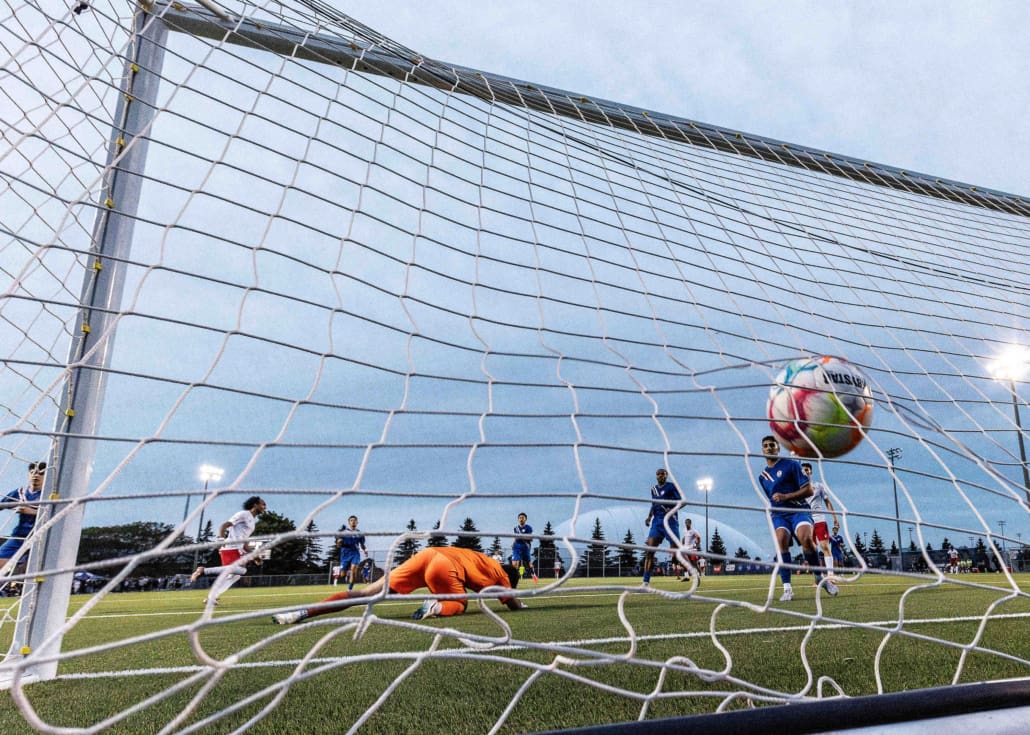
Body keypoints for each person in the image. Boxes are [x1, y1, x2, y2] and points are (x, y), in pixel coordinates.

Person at [273, 546, 526, 624]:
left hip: (426, 555)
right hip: (444, 566)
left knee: (365, 593)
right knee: (459, 603)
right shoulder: (502, 575)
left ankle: (300, 612)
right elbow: (512, 604)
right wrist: (521, 603)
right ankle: (436, 606)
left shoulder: (483, 559)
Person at [757, 436, 838, 601]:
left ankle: (819, 577)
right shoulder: (762, 477)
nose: (769, 448)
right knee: (781, 542)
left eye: (772, 445)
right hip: (779, 515)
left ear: (778, 448)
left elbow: (808, 490)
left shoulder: (792, 465)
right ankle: (787, 588)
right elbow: (772, 498)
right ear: (762, 450)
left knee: (806, 539)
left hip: (799, 510)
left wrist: (786, 496)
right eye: (765, 446)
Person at [190, 496, 267, 606]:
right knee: (240, 571)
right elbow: (224, 525)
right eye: (263, 504)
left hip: (237, 549)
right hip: (230, 547)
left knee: (234, 575)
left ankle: (211, 598)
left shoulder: (252, 523)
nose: (265, 507)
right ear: (255, 505)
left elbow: (244, 543)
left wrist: (255, 556)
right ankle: (203, 570)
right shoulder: (243, 514)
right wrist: (221, 540)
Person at [0, 461, 46, 591]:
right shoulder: (20, 492)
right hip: (20, 537)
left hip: (43, 537)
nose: (36, 476)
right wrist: (11, 507)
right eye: (33, 472)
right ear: (28, 474)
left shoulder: (49, 494)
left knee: (33, 571)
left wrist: (31, 511)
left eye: (41, 473)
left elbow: (57, 514)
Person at [643, 468, 681, 586]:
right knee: (650, 551)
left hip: (670, 521)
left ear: (667, 475)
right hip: (657, 522)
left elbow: (682, 502)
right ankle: (645, 582)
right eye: (658, 474)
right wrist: (649, 517)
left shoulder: (672, 487)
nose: (661, 476)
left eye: (663, 474)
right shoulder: (653, 489)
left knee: (676, 552)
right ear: (656, 476)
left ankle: (690, 570)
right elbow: (653, 505)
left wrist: (671, 509)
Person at [801, 463, 838, 580]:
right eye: (803, 470)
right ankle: (818, 577)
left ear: (811, 472)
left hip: (819, 519)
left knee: (824, 546)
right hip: (807, 521)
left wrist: (835, 518)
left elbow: (828, 502)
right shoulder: (798, 488)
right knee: (812, 551)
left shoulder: (818, 486)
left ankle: (831, 576)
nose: (805, 472)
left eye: (807, 470)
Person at [336, 515, 367, 590]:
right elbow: (339, 545)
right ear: (349, 522)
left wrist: (365, 550)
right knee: (342, 575)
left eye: (355, 520)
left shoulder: (359, 533)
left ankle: (349, 590)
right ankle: (346, 575)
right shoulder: (343, 532)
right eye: (351, 520)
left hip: (355, 553)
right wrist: (339, 541)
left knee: (354, 569)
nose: (353, 522)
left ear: (357, 522)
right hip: (345, 554)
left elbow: (362, 544)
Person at [512, 512, 538, 582]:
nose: (521, 519)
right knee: (515, 564)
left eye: (523, 518)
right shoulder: (516, 528)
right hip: (517, 547)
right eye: (520, 518)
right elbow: (515, 537)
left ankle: (533, 574)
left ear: (525, 519)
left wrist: (523, 537)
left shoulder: (529, 528)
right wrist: (513, 543)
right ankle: (514, 578)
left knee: (529, 564)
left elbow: (531, 539)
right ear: (518, 519)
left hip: (525, 547)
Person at [680, 517, 702, 583]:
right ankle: (686, 577)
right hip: (685, 549)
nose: (686, 524)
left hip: (692, 549)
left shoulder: (693, 531)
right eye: (685, 523)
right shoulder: (684, 530)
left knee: (694, 563)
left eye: (687, 523)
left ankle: (698, 575)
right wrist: (682, 545)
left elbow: (698, 538)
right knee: (684, 563)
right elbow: (684, 538)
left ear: (690, 523)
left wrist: (697, 545)